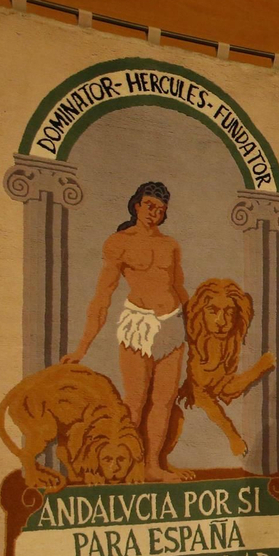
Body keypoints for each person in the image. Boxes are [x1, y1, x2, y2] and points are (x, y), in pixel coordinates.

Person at [63, 181, 190, 482]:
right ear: (136, 205)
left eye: (160, 209)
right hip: (138, 325)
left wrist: (193, 331)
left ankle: (152, 466)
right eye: (149, 206)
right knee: (135, 400)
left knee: (164, 400)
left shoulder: (170, 244)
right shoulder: (118, 242)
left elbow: (180, 288)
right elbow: (102, 296)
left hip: (172, 324)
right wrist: (82, 348)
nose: (154, 213)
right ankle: (128, 466)